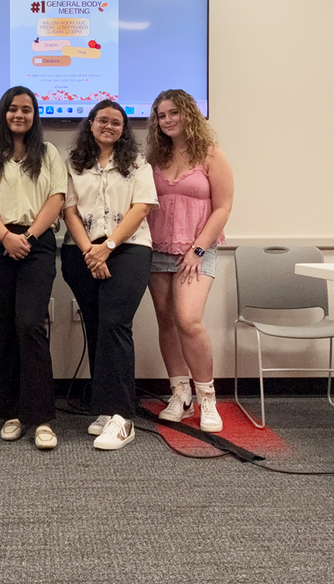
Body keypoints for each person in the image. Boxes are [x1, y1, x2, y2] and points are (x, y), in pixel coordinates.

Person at [0, 86, 66, 451]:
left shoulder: (49, 153)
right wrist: (6, 236)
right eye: (13, 109)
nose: (19, 115)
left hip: (37, 244)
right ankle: (9, 412)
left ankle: (40, 417)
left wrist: (29, 236)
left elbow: (57, 196)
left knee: (30, 325)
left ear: (35, 114)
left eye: (26, 110)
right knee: (1, 328)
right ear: (3, 114)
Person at [61, 100, 158, 450]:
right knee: (96, 325)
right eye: (103, 120)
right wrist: (91, 250)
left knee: (116, 323)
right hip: (81, 253)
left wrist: (109, 246)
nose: (109, 126)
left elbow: (142, 206)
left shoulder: (136, 163)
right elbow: (68, 209)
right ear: (90, 123)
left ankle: (121, 416)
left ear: (124, 130)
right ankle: (104, 407)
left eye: (117, 123)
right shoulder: (72, 163)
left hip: (129, 250)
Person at [146, 89, 233, 433]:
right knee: (166, 321)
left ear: (188, 114)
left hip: (196, 250)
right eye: (161, 115)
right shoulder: (156, 157)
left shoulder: (211, 155)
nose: (167, 120)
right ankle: (179, 394)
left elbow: (223, 207)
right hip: (157, 248)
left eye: (173, 113)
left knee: (188, 320)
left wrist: (197, 249)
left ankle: (207, 398)